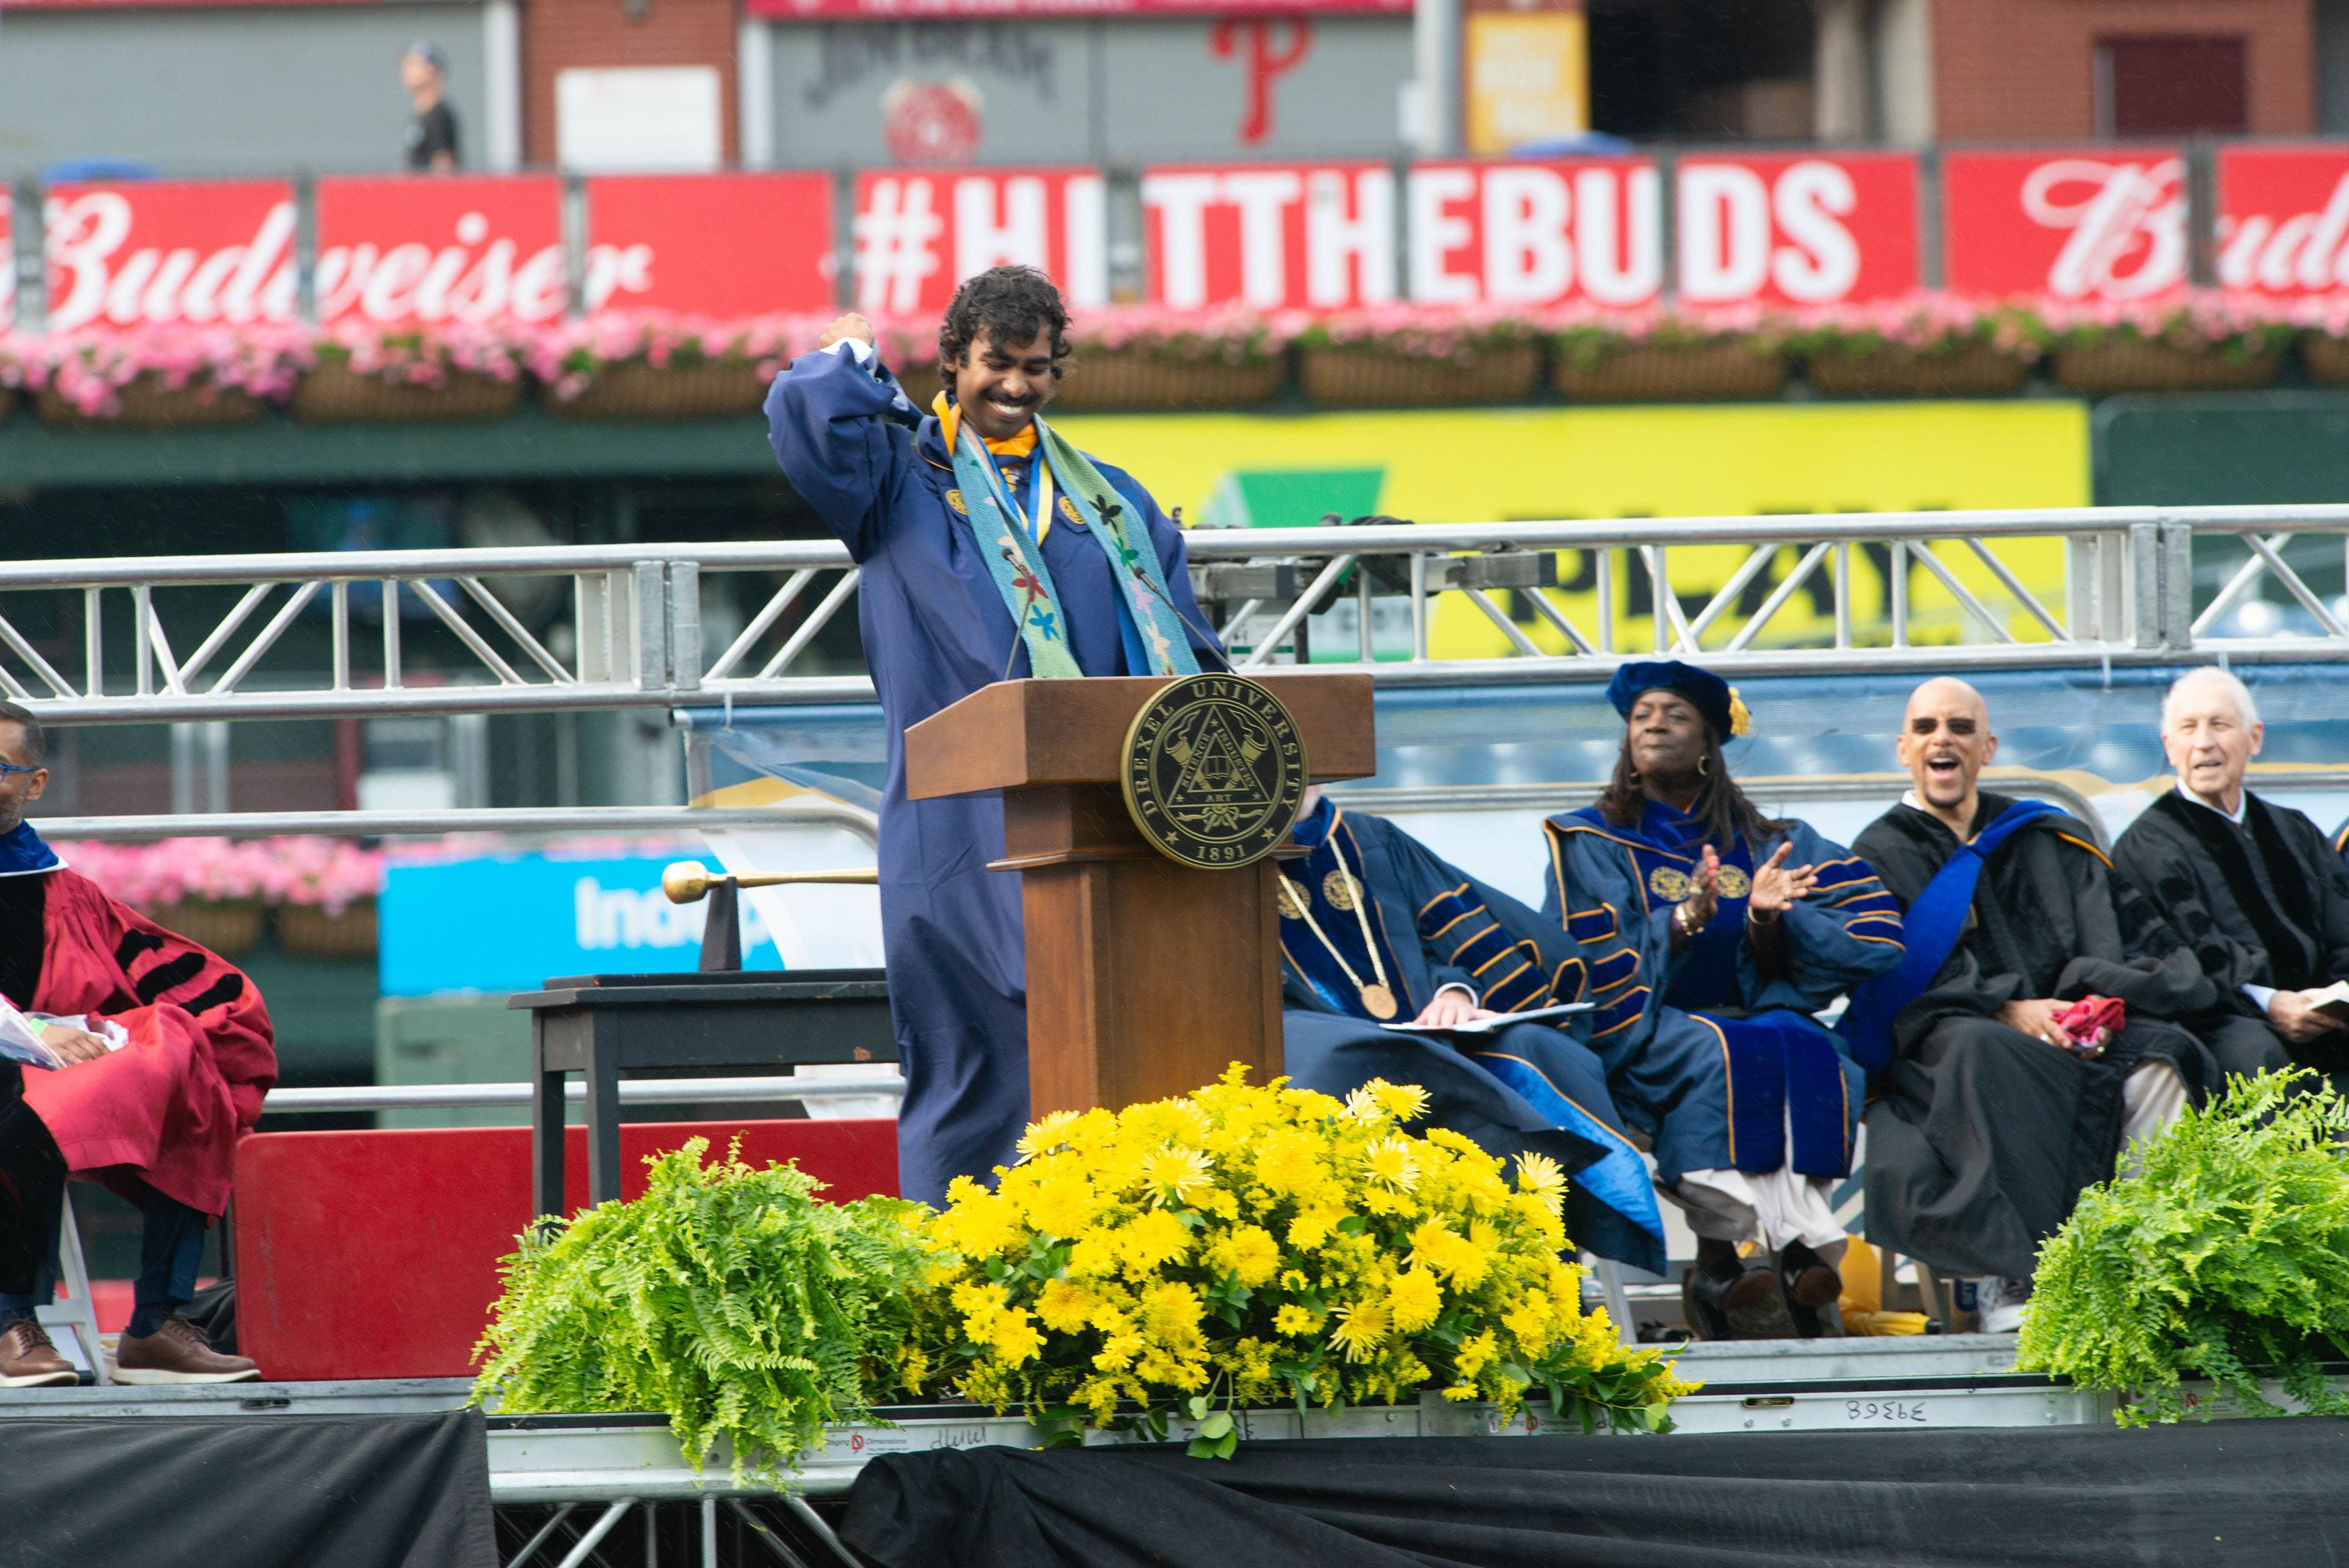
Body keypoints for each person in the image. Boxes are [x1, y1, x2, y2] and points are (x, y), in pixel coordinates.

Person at [766, 266, 1224, 1205]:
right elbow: (807, 417)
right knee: (977, 1071)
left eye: (1038, 367)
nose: (1016, 386)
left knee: (1113, 1061)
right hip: (958, 830)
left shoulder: (1113, 504)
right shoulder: (899, 480)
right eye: (996, 365)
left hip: (1103, 831)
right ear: (950, 360)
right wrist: (847, 355)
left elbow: (1196, 659)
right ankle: (958, 1291)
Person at [1850, 678, 2225, 1333]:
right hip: (1945, 1041)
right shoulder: (1876, 855)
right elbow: (1891, 979)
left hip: (2071, 1030)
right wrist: (2009, 1008)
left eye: (1962, 728)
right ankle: (2018, 1272)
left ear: (1987, 746)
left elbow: (2120, 938)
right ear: (1904, 747)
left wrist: (2093, 1005)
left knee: (2162, 1060)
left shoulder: (2046, 836)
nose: (1945, 739)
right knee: (1985, 1050)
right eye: (1929, 728)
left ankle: (2138, 1264)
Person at [1539, 662, 1902, 1338]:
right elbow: (1582, 957)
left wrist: (1772, 916)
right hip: (1648, 1029)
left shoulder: (1769, 841)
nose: (1654, 723)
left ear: (1709, 739)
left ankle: (1781, 1255)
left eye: (1674, 714)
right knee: (1725, 1051)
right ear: (1627, 741)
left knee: (1808, 1045)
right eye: (1643, 714)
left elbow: (1870, 936)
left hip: (1753, 1018)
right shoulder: (1590, 841)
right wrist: (1680, 923)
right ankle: (1736, 1252)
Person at [1277, 788, 1666, 1274]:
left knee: (1537, 1048)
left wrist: (1455, 994)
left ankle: (1547, 1258)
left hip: (1433, 1033)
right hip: (1317, 1044)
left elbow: (1446, 943)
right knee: (1353, 1058)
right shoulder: (1216, 860)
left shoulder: (1371, 840)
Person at [0, 703, 271, 1386]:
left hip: (56, 1069)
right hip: (19, 1071)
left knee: (191, 1063)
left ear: (35, 784)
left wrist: (102, 1034)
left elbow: (141, 982)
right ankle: (9, 1322)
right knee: (11, 1111)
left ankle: (153, 1325)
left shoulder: (63, 892)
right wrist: (32, 1031)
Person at [2113, 669, 2340, 1089]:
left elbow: (2341, 924)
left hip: (2326, 1013)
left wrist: (2337, 994)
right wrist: (2272, 1002)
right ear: (2170, 746)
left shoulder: (2293, 830)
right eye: (2188, 728)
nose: (2204, 742)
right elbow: (2182, 960)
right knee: (2255, 1056)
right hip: (2226, 1019)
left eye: (2219, 724)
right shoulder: (2148, 846)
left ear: (2254, 739)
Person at [402, 43, 460, 173]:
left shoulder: (438, 116)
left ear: (433, 70)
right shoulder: (423, 115)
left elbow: (444, 165)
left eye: (413, 65)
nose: (406, 71)